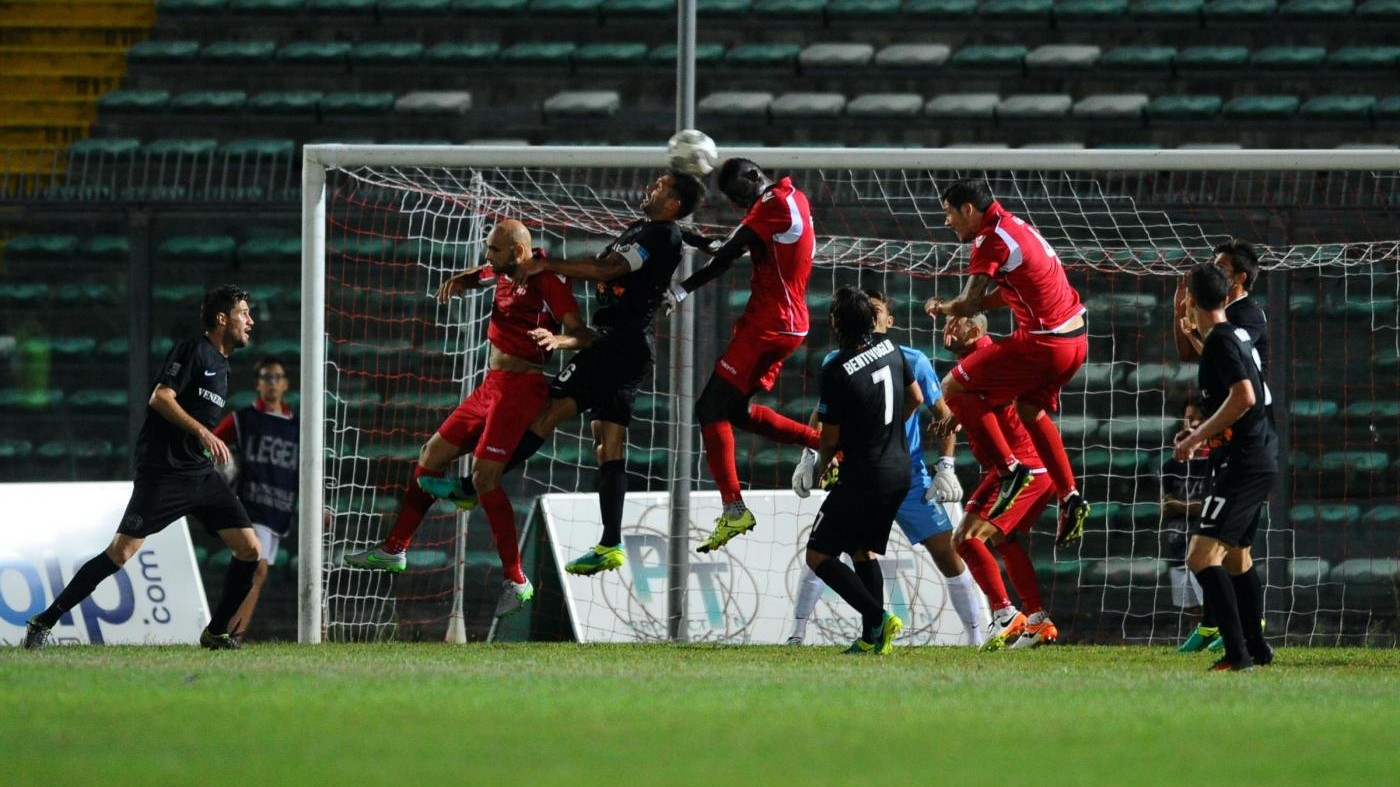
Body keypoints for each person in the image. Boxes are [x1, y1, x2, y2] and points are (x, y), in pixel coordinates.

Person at [420, 171, 706, 577]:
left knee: (545, 414)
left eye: (660, 187)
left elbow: (610, 271)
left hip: (615, 342)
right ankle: (610, 544)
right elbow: (609, 262)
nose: (650, 188)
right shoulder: (649, 229)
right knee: (608, 442)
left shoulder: (662, 235)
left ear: (674, 204)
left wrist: (548, 264)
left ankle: (469, 489)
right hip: (631, 347)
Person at [344, 220, 586, 620]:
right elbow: (483, 275)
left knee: (484, 478)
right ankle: (395, 549)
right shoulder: (504, 270)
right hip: (491, 383)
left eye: (494, 250)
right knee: (431, 453)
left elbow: (583, 333)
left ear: (519, 252)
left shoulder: (549, 282)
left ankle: (516, 579)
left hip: (522, 387)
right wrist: (462, 279)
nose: (488, 257)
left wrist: (559, 340)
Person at [23, 285, 261, 651]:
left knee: (249, 549)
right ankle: (44, 621)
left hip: (198, 473)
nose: (250, 321)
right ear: (221, 318)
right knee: (119, 554)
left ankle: (216, 632)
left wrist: (202, 442)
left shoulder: (223, 366)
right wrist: (202, 431)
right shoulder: (193, 350)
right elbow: (160, 397)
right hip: (164, 472)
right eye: (244, 313)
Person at [787, 289, 985, 647]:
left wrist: (946, 466)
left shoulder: (910, 359)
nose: (873, 316)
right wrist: (808, 452)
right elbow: (822, 414)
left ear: (888, 321)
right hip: (893, 471)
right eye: (868, 310)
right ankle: (807, 633)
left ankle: (975, 633)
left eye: (878, 310)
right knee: (859, 549)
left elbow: (942, 414)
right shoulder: (879, 355)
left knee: (942, 550)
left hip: (894, 474)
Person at [664, 158, 821, 554]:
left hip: (770, 324)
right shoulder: (793, 197)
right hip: (787, 322)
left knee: (709, 409)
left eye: (739, 195)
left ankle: (734, 508)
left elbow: (728, 255)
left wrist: (682, 290)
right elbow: (734, 243)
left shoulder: (772, 204)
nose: (738, 205)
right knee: (736, 412)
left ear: (754, 176)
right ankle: (824, 443)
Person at [923, 178, 1090, 548]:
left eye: (949, 214)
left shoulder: (989, 239)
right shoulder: (1015, 225)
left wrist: (940, 305)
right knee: (1030, 410)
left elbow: (967, 302)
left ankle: (1010, 471)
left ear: (968, 210)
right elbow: (1005, 292)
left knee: (948, 389)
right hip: (1075, 339)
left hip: (1044, 344)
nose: (947, 222)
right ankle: (1070, 495)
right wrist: (977, 306)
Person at [791, 287, 920, 655]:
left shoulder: (835, 368)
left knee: (818, 555)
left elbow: (829, 439)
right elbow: (916, 399)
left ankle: (878, 616)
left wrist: (816, 467)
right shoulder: (892, 349)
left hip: (865, 474)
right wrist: (888, 431)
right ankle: (871, 640)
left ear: (835, 323)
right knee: (861, 549)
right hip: (899, 468)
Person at [1173, 262, 1278, 671]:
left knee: (1201, 557)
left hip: (1244, 462)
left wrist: (1196, 437)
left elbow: (1245, 397)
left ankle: (1237, 655)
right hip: (1256, 456)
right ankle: (1257, 646)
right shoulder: (1230, 335)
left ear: (1192, 300)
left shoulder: (1221, 340)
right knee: (1235, 558)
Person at [943, 314, 1061, 651]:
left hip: (1024, 466)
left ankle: (1006, 615)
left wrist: (958, 410)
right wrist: (956, 417)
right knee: (1004, 541)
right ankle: (1038, 620)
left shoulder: (984, 359)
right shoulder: (977, 363)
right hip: (1018, 465)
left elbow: (988, 397)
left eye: (958, 323)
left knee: (967, 538)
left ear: (977, 330)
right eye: (948, 322)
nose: (949, 328)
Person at [210, 355, 299, 642]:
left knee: (258, 574)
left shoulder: (297, 426)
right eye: (265, 378)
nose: (271, 383)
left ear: (286, 384)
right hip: (250, 503)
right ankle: (228, 633)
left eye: (276, 377)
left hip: (280, 507)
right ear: (257, 384)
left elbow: (305, 468)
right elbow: (213, 441)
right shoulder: (243, 419)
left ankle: (231, 634)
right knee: (255, 567)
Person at [1159, 401, 1216, 652]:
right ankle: (1196, 636)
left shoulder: (1212, 463)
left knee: (1208, 596)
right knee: (1188, 604)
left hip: (1204, 537)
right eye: (1187, 417)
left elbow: (1204, 506)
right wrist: (1183, 506)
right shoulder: (1171, 465)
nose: (1191, 423)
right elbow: (1165, 505)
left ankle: (1215, 631)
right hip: (1177, 539)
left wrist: (1179, 506)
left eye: (1198, 418)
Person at [1174, 239, 1268, 377]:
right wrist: (1179, 311)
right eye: (1214, 267)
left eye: (1220, 268)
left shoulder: (1249, 314)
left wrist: (1191, 335)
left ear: (1240, 278)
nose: (1214, 273)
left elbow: (1226, 358)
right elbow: (1187, 356)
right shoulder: (1214, 309)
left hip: (1243, 396)